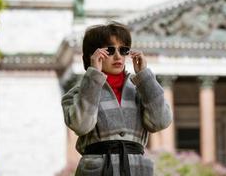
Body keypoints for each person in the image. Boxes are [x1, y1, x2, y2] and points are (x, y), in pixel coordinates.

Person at [61, 21, 173, 176]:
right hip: (97, 171)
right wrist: (93, 76)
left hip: (137, 170)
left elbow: (161, 121)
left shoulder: (140, 89)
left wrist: (145, 77)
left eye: (124, 50)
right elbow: (82, 125)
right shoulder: (75, 94)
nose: (118, 56)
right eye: (110, 50)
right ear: (93, 55)